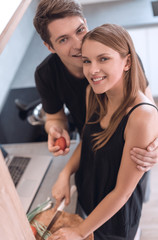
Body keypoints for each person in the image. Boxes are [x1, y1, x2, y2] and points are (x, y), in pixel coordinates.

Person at [48, 23, 158, 240]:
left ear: (127, 61)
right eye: (87, 61)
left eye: (103, 59)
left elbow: (122, 192)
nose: (92, 70)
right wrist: (65, 172)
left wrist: (80, 231)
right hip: (87, 201)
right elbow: (89, 143)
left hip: (115, 220)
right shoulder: (93, 94)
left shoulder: (141, 116)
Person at [33, 0, 158, 172]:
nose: (78, 45)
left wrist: (155, 139)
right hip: (91, 146)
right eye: (63, 40)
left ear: (85, 23)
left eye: (80, 30)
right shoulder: (46, 74)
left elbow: (148, 104)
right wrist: (56, 130)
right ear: (50, 47)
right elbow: (55, 117)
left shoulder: (118, 56)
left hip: (131, 147)